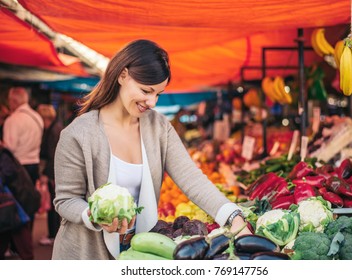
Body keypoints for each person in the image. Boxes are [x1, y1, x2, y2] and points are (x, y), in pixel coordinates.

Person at [52, 39, 251, 260]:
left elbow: (192, 179)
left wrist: (232, 215)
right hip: (85, 254)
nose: (152, 102)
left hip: (140, 252)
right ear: (122, 75)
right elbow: (66, 200)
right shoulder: (78, 134)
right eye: (146, 91)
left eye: (158, 93)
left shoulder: (159, 127)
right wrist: (93, 217)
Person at [0, 146, 41, 260]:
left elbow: (8, 173)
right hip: (10, 205)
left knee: (23, 245)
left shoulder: (4, 154)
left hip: (15, 205)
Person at [3, 87, 44, 186]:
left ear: (14, 100)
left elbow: (9, 148)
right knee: (30, 198)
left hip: (18, 167)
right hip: (35, 165)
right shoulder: (37, 117)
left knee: (17, 200)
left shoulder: (13, 119)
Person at [37, 104, 63, 246]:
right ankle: (53, 233)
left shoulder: (53, 131)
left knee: (53, 205)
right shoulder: (56, 127)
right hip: (54, 172)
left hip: (53, 173)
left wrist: (47, 175)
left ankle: (53, 234)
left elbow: (54, 156)